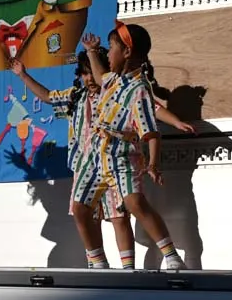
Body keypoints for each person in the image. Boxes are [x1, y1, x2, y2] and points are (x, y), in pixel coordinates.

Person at [11, 44, 194, 269]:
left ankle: (131, 268)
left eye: (92, 72)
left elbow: (150, 107)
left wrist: (175, 121)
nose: (89, 78)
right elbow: (48, 96)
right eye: (84, 73)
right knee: (84, 212)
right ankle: (98, 264)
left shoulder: (116, 91)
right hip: (87, 165)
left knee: (120, 216)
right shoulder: (76, 96)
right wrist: (23, 75)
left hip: (115, 159)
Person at [70, 21, 186, 270]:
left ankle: (171, 256)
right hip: (96, 156)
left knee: (134, 203)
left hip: (121, 156)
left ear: (127, 52)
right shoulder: (114, 80)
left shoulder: (139, 89)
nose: (108, 54)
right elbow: (100, 76)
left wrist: (153, 164)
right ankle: (98, 263)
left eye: (111, 48)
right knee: (79, 207)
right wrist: (92, 51)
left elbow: (150, 132)